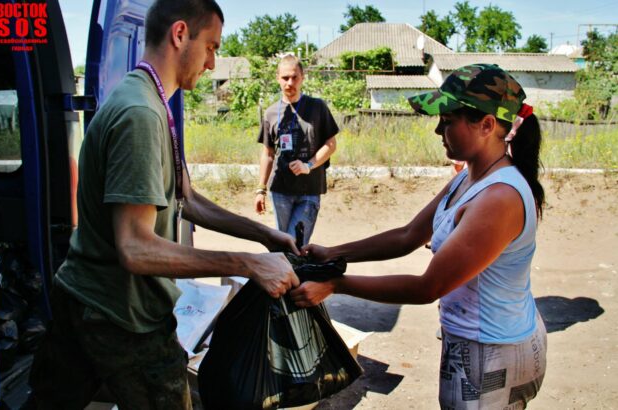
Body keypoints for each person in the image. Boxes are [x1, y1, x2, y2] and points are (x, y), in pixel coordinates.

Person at [28, 1, 299, 409]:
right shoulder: (140, 114)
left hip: (84, 295)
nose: (212, 63)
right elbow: (135, 248)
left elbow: (185, 200)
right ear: (179, 34)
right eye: (210, 46)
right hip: (120, 315)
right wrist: (247, 264)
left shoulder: (153, 100)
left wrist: (265, 236)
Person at [291, 64, 548, 409]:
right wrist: (333, 253)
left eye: (447, 120)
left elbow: (428, 287)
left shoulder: (498, 198)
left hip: (492, 353)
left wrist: (337, 284)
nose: (437, 129)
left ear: (487, 125)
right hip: (478, 344)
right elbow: (408, 235)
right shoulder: (470, 177)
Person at [254, 55, 338, 246]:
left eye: (294, 77)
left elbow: (331, 144)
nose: (290, 83)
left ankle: (289, 274)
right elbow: (268, 153)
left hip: (309, 190)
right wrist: (261, 189)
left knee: (296, 244)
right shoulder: (271, 113)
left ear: (302, 78)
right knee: (283, 245)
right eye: (285, 78)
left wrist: (309, 165)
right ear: (277, 78)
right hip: (280, 191)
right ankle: (283, 275)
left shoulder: (317, 107)